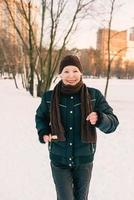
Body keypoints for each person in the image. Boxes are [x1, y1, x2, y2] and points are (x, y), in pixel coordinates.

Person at [35, 54, 119, 200]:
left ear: (80, 72)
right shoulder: (49, 97)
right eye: (66, 71)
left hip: (84, 159)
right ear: (60, 74)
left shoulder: (94, 96)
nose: (71, 75)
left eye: (75, 71)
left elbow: (113, 123)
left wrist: (100, 118)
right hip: (59, 159)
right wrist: (44, 132)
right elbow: (40, 117)